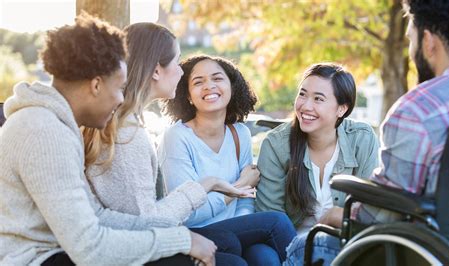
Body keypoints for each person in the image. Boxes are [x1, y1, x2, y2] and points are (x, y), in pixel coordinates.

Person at [0, 13, 216, 266]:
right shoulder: (43, 130)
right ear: (96, 85)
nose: (121, 99)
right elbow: (90, 249)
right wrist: (181, 241)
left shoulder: (54, 124)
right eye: (118, 87)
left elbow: (98, 215)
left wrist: (179, 234)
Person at [82, 22, 256, 266]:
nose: (181, 72)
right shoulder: (127, 134)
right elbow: (146, 222)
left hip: (126, 239)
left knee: (230, 244)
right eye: (177, 62)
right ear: (156, 71)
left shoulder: (124, 122)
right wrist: (207, 187)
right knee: (238, 255)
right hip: (122, 249)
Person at [160, 54, 296, 266]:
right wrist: (238, 187)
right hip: (194, 232)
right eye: (198, 82)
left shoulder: (239, 133)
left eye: (217, 78)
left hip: (235, 230)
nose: (209, 86)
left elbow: (247, 199)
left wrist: (241, 226)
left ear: (231, 88)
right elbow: (187, 213)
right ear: (187, 95)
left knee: (265, 258)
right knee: (276, 222)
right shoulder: (177, 137)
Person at [355, 0, 449, 223]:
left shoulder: (418, 109)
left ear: (428, 42)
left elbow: (379, 218)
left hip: (426, 253)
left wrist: (340, 215)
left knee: (304, 244)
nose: (410, 50)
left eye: (411, 38)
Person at [254, 63, 379, 265]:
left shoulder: (362, 139)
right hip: (288, 244)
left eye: (318, 99)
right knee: (261, 254)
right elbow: (270, 218)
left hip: (342, 244)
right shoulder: (276, 144)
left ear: (342, 108)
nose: (305, 106)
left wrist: (336, 217)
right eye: (302, 94)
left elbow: (370, 211)